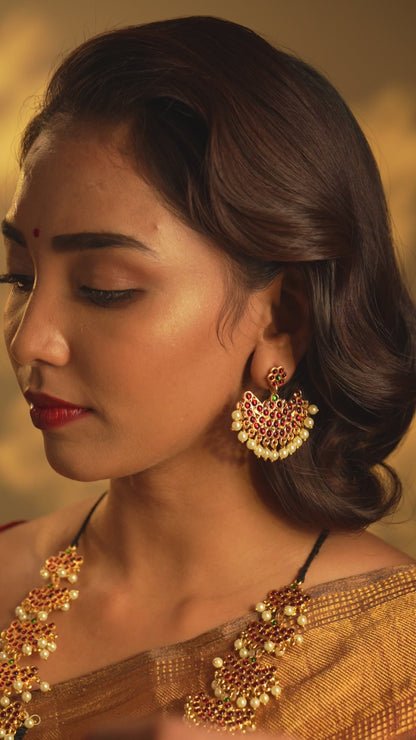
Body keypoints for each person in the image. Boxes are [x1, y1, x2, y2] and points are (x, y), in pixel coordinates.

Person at [0, 15, 415, 740]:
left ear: (282, 319)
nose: (30, 339)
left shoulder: (389, 656)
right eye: (17, 277)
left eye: (103, 286)